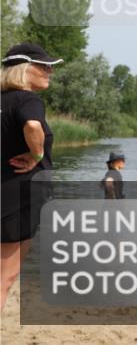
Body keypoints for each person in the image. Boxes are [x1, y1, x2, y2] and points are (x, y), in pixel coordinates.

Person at [1, 42, 62, 311]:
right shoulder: (28, 99)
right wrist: (36, 155)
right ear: (25, 69)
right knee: (6, 277)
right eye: (45, 65)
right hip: (19, 199)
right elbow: (33, 125)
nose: (50, 71)